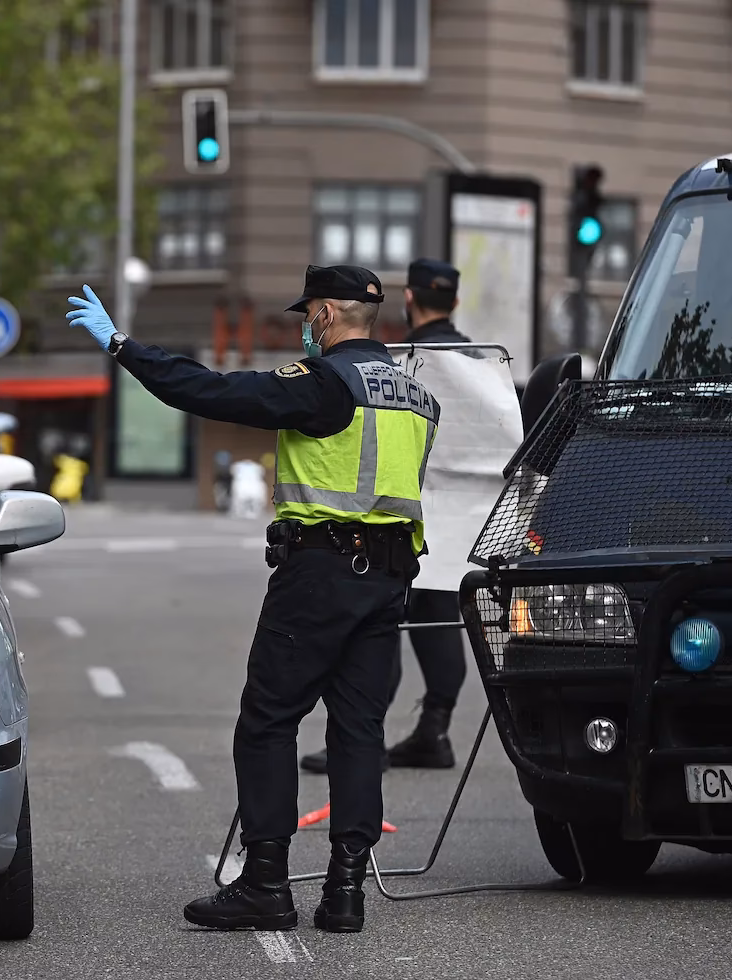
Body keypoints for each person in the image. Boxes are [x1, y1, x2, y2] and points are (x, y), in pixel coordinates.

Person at [66, 265, 440, 935]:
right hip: (388, 581)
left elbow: (209, 389)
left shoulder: (324, 383)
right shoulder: (417, 398)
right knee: (358, 730)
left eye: (308, 313)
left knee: (268, 719)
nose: (304, 326)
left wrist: (123, 345)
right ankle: (345, 893)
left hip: (320, 572)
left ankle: (266, 883)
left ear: (326, 314)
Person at [300, 258, 474, 775]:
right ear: (454, 302)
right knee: (439, 614)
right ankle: (434, 728)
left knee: (383, 622)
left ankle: (363, 739)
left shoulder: (396, 362)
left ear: (409, 299)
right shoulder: (479, 363)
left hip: (392, 513)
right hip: (461, 515)